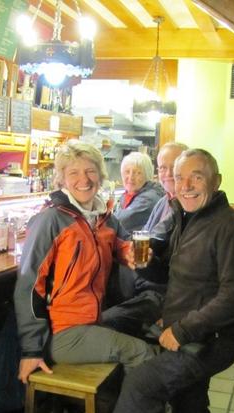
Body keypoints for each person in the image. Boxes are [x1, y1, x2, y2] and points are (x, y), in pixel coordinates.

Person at [101, 148, 234, 413]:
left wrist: (183, 330)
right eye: (180, 177)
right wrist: (146, 264)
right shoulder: (185, 218)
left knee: (140, 384)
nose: (186, 185)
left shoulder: (231, 227)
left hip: (210, 340)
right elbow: (174, 277)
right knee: (190, 405)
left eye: (196, 177)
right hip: (189, 331)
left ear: (216, 181)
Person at [14, 141, 156, 384]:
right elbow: (28, 285)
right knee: (143, 353)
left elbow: (120, 242)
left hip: (91, 321)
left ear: (100, 176)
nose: (84, 179)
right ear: (62, 179)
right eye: (74, 173)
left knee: (141, 334)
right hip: (61, 332)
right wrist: (31, 349)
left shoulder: (102, 218)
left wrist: (128, 252)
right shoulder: (51, 220)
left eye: (90, 171)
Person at [143, 142, 188, 235]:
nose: (168, 174)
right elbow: (145, 233)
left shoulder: (191, 206)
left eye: (175, 167)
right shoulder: (162, 202)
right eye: (163, 168)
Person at [114, 152, 164, 233]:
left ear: (147, 175)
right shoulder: (127, 195)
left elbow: (120, 221)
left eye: (138, 173)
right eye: (127, 172)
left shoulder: (150, 197)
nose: (131, 177)